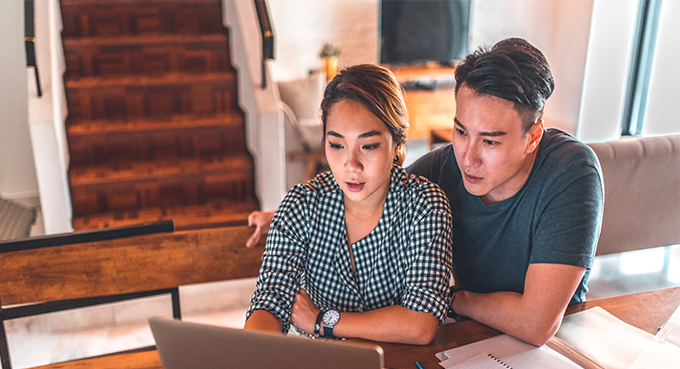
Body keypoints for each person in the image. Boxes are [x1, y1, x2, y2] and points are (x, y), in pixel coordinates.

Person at [246, 39, 604, 348]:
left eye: (490, 141)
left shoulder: (570, 171)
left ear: (533, 137)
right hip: (467, 340)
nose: (468, 157)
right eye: (461, 131)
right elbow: (372, 191)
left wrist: (447, 299)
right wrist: (283, 216)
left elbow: (536, 324)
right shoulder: (441, 170)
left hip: (555, 348)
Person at [244, 64, 452, 345]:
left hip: (394, 365)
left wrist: (322, 320)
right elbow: (270, 301)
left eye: (369, 146)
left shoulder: (425, 207)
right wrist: (252, 356)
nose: (350, 165)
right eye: (337, 145)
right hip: (316, 364)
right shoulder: (301, 205)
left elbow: (420, 323)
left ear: (398, 143)